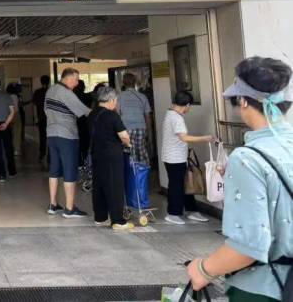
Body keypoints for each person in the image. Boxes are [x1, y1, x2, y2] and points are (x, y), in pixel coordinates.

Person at [186, 57, 292, 302]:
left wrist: (202, 270)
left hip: (265, 289)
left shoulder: (247, 159)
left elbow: (248, 247)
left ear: (243, 100)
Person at [161, 90, 214, 225]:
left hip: (172, 156)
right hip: (175, 158)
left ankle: (191, 210)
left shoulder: (170, 113)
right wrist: (205, 138)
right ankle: (173, 213)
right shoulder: (177, 118)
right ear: (187, 105)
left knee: (183, 183)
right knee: (177, 186)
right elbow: (184, 137)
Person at [44, 68, 91, 218]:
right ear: (68, 78)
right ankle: (70, 208)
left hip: (51, 134)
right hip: (66, 136)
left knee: (54, 170)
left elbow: (46, 110)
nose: (77, 83)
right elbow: (84, 111)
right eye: (76, 80)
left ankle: (53, 204)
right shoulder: (66, 93)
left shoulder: (51, 90)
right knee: (70, 170)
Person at [89, 87, 134, 230]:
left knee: (99, 185)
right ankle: (118, 221)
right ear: (111, 100)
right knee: (114, 186)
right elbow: (124, 136)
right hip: (112, 155)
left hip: (96, 154)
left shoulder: (92, 114)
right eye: (116, 100)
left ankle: (100, 217)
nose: (116, 103)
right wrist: (128, 143)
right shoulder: (112, 115)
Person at [118, 73, 153, 166]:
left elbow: (117, 114)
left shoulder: (120, 96)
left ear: (123, 82)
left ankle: (131, 172)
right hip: (141, 127)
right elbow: (147, 116)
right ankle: (143, 172)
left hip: (126, 128)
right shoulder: (142, 96)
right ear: (135, 82)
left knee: (129, 153)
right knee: (141, 152)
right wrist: (148, 131)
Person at [32, 75, 51, 162]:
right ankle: (50, 155)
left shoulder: (37, 92)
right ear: (49, 82)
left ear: (41, 82)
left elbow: (34, 104)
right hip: (51, 118)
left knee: (42, 136)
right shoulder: (51, 91)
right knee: (51, 136)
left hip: (41, 117)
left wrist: (36, 118)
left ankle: (42, 152)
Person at [74, 80, 93, 165]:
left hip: (75, 122)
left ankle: (79, 163)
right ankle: (86, 162)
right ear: (83, 87)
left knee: (76, 144)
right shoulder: (88, 97)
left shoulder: (72, 97)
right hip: (85, 122)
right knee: (85, 144)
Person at [7, 83, 24, 156]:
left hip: (8, 115)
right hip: (15, 115)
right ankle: (16, 149)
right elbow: (16, 107)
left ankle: (10, 148)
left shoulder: (7, 96)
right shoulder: (15, 96)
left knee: (10, 133)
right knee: (17, 132)